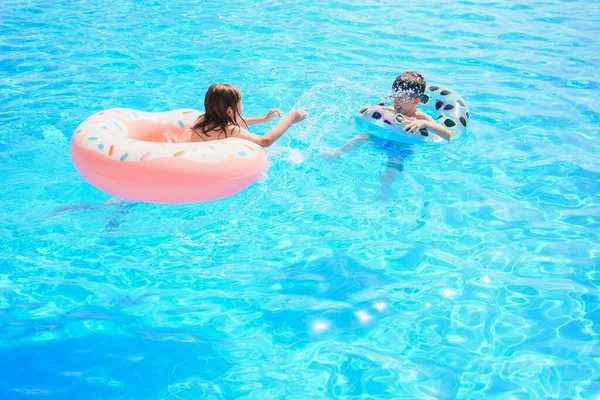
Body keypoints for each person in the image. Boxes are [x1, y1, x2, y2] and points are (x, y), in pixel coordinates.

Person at [327, 71, 451, 198]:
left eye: (402, 97)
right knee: (363, 136)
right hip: (382, 139)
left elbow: (447, 135)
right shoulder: (389, 108)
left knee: (393, 163)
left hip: (401, 145)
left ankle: (385, 191)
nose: (396, 100)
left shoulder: (420, 117)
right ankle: (336, 154)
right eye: (395, 95)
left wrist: (425, 124)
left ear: (416, 101)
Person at [179, 83, 308, 147]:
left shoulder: (202, 120)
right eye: (240, 104)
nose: (242, 107)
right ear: (229, 111)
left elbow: (229, 122)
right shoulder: (230, 130)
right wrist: (291, 119)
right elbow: (265, 141)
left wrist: (263, 119)